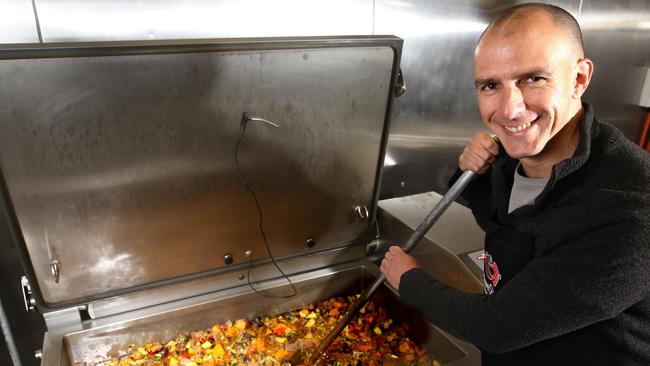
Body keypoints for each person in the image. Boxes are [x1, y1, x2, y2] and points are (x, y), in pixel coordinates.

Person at [380, 3, 650, 365]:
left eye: (533, 78)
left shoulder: (632, 207)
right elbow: (514, 226)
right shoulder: (517, 158)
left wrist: (409, 278)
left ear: (579, 79)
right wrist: (472, 175)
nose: (509, 110)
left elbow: (496, 326)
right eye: (491, 85)